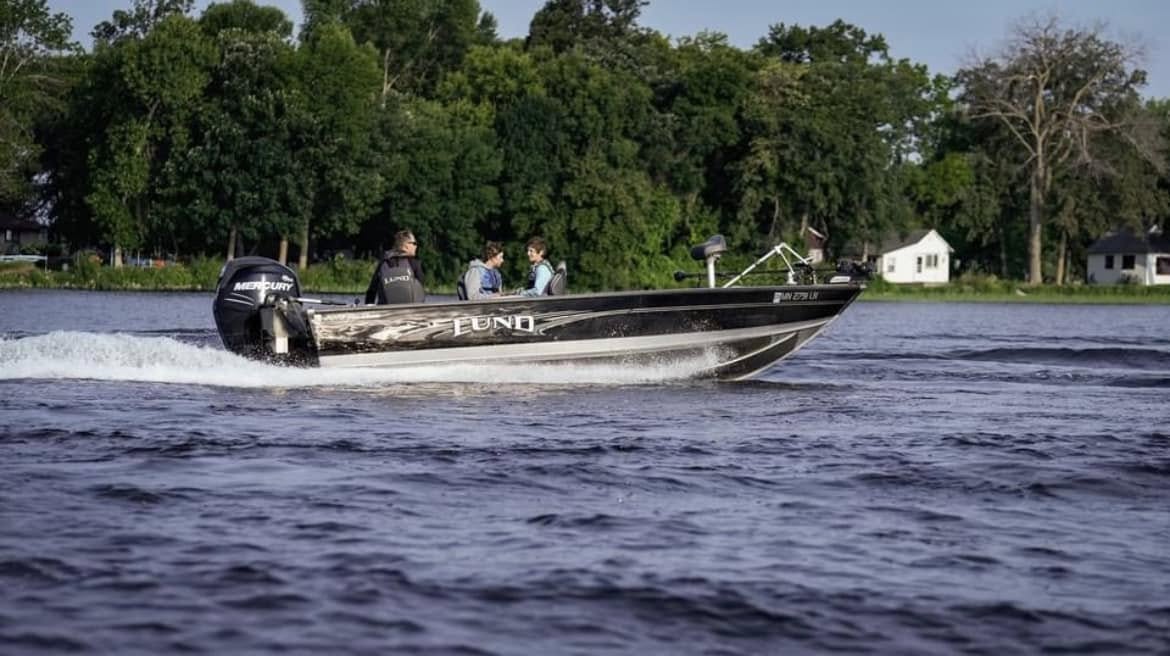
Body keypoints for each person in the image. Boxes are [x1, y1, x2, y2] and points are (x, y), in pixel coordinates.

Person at [364, 230, 425, 304]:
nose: (416, 246)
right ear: (405, 246)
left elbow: (372, 291)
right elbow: (420, 290)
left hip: (385, 310)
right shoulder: (415, 264)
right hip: (408, 310)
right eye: (414, 243)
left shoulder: (383, 262)